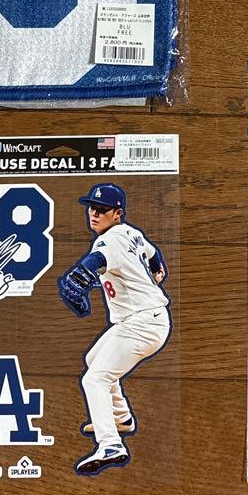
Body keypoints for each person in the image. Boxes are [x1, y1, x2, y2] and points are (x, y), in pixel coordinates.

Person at [57, 183, 171, 476]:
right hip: (144, 320)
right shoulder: (131, 233)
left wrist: (81, 274)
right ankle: (121, 418)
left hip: (143, 325)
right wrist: (157, 271)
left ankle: (110, 445)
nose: (94, 214)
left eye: (102, 209)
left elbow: (97, 260)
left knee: (95, 379)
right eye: (91, 208)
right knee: (94, 360)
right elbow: (153, 252)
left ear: (117, 213)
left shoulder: (112, 240)